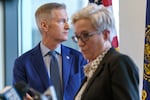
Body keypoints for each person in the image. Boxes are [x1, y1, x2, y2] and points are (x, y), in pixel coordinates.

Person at [13, 3, 87, 100]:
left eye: (67, 21)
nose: (67, 27)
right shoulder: (22, 63)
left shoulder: (79, 58)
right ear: (44, 26)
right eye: (61, 21)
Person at [71, 3, 139, 100]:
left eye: (85, 35)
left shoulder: (118, 63)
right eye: (77, 37)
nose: (80, 43)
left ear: (105, 35)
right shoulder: (92, 69)